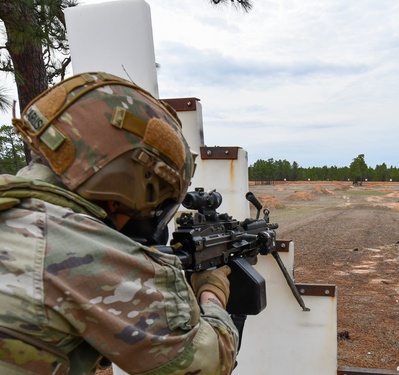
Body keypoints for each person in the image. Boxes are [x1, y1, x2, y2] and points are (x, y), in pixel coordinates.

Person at [0, 72, 239, 374]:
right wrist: (212, 290)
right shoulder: (80, 248)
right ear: (128, 185)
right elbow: (210, 363)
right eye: (157, 204)